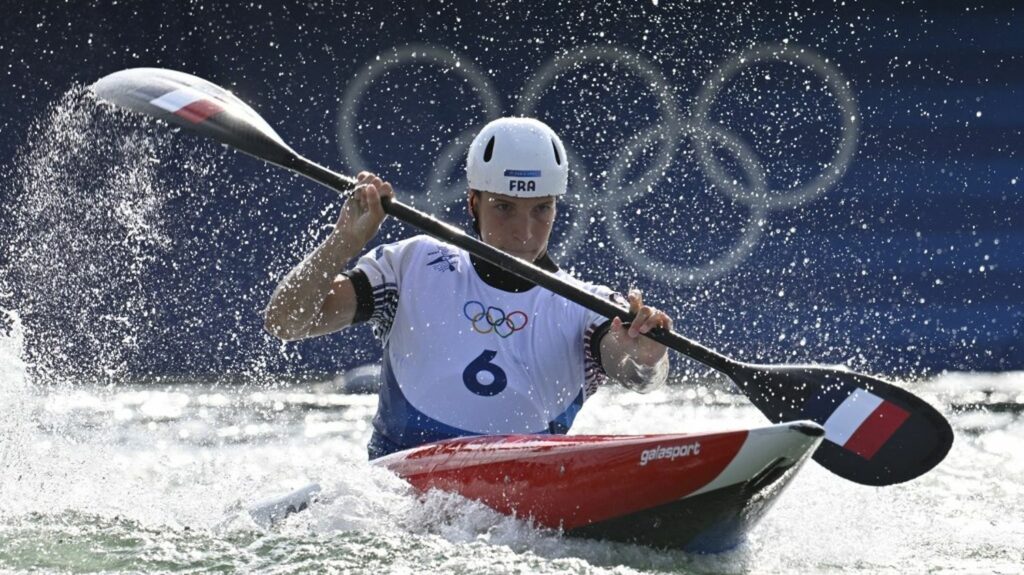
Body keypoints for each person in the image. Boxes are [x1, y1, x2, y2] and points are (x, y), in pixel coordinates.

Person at [265, 117, 673, 459]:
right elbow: (285, 322)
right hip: (396, 498)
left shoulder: (588, 307)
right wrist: (344, 242)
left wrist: (646, 353)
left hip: (522, 503)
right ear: (474, 203)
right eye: (504, 208)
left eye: (541, 210)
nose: (524, 233)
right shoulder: (412, 265)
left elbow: (636, 374)